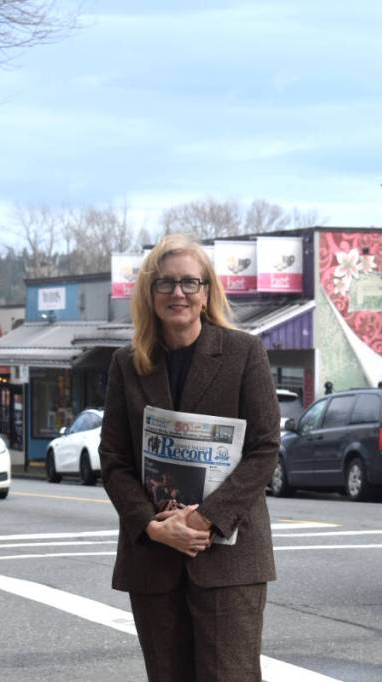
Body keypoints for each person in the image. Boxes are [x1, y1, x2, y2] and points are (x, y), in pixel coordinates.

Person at [99, 233, 280, 682]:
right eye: (164, 283)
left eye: (188, 283)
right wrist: (152, 525)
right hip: (153, 557)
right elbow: (114, 459)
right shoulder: (127, 363)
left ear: (206, 293)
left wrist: (205, 520)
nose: (177, 293)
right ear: (149, 294)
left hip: (228, 557)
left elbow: (264, 447)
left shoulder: (243, 353)